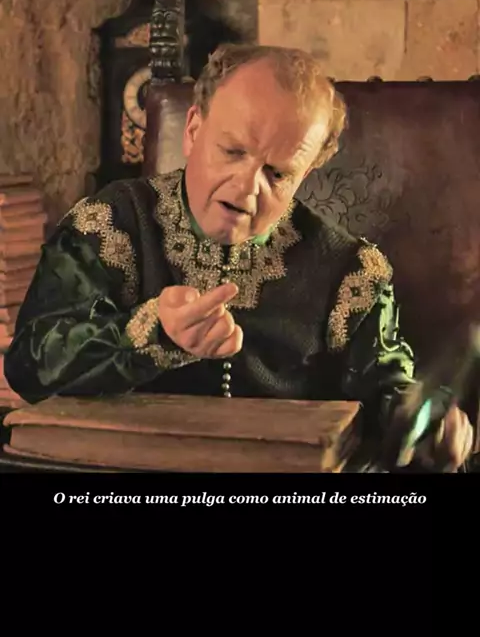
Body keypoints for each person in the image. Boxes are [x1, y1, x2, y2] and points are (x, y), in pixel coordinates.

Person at [4, 44, 474, 471]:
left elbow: (390, 392)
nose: (247, 188)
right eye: (232, 151)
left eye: (278, 174)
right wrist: (150, 333)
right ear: (193, 130)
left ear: (306, 174)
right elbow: (30, 364)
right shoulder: (109, 224)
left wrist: (429, 424)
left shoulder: (351, 273)